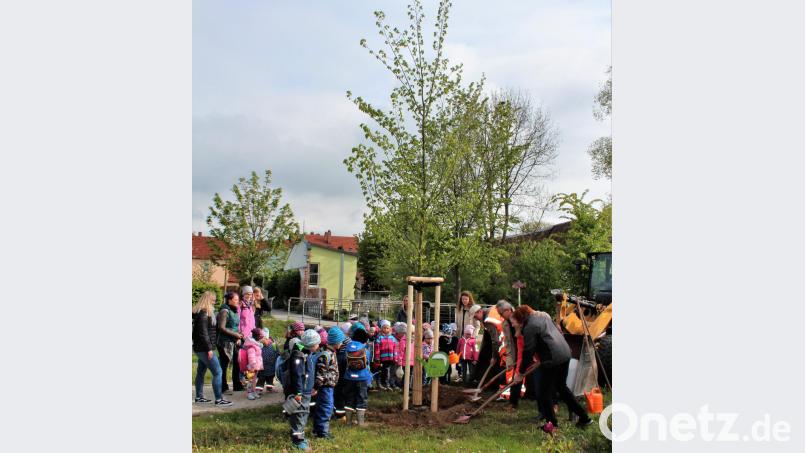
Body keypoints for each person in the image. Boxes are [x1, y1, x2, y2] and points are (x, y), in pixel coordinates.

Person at [512, 305, 592, 433]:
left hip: (553, 358)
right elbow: (550, 335)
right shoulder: (543, 316)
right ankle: (584, 418)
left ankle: (552, 425)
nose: (512, 324)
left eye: (513, 322)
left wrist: (520, 373)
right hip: (565, 353)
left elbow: (528, 352)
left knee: (544, 393)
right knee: (562, 388)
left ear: (520, 319)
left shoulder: (529, 327)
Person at [192, 291, 232, 406]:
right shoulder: (204, 314)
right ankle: (219, 399)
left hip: (201, 348)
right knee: (218, 372)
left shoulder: (204, 313)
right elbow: (203, 333)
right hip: (204, 348)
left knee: (201, 372)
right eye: (213, 300)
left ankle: (199, 397)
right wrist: (209, 349)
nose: (214, 302)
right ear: (207, 300)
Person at [285, 329, 321, 451]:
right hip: (301, 391)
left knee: (303, 413)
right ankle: (298, 441)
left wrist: (312, 387)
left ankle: (299, 435)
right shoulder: (299, 355)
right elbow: (297, 375)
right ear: (310, 345)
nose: (318, 346)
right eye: (316, 344)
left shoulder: (306, 352)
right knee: (300, 414)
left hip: (306, 389)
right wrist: (298, 392)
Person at [312, 326, 343, 440]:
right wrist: (316, 387)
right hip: (325, 387)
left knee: (322, 407)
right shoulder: (325, 355)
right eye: (340, 341)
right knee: (326, 408)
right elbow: (320, 373)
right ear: (336, 342)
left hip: (329, 386)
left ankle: (317, 429)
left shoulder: (331, 352)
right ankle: (322, 432)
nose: (341, 344)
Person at [343, 323, 372, 425]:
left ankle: (348, 422)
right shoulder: (365, 350)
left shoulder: (347, 347)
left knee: (349, 398)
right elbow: (367, 363)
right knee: (362, 398)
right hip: (362, 377)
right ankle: (361, 423)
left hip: (348, 377)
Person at [217, 291, 244, 393]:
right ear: (229, 300)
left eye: (238, 299)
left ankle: (237, 385)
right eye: (235, 299)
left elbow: (234, 327)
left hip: (234, 341)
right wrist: (235, 335)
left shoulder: (234, 310)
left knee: (237, 363)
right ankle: (223, 386)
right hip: (224, 342)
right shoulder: (224, 311)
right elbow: (221, 327)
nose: (237, 301)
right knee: (224, 365)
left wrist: (239, 336)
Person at [332, 328, 351, 421]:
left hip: (338, 381)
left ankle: (338, 413)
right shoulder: (344, 357)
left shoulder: (337, 356)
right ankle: (340, 415)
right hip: (342, 381)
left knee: (338, 395)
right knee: (340, 396)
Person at [373, 320, 398, 390]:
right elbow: (377, 349)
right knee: (380, 371)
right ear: (381, 328)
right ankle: (379, 384)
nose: (386, 329)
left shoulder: (392, 338)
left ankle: (387, 384)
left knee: (388, 371)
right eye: (384, 328)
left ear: (390, 329)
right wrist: (377, 357)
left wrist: (395, 357)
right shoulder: (379, 338)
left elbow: (395, 348)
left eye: (387, 328)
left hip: (390, 358)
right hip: (381, 358)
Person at [242, 327, 265, 400]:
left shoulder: (256, 345)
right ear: (258, 336)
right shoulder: (252, 346)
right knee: (250, 380)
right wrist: (253, 366)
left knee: (254, 380)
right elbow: (251, 358)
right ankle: (249, 393)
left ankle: (253, 391)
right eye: (261, 336)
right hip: (252, 367)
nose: (262, 337)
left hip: (256, 366)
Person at [257, 328, 279, 393]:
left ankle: (269, 388)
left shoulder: (273, 344)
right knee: (261, 378)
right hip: (262, 366)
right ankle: (259, 389)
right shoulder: (259, 345)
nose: (265, 341)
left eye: (266, 339)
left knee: (270, 377)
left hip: (271, 365)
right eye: (263, 339)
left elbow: (277, 353)